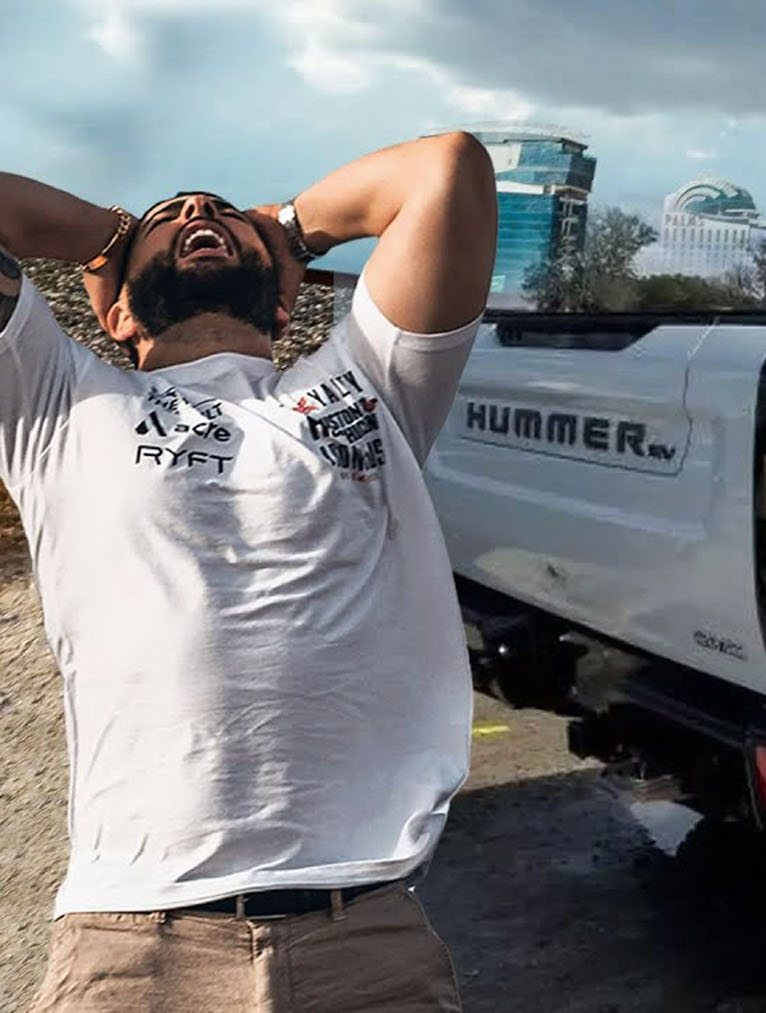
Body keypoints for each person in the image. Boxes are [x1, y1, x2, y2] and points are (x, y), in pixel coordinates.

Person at [0, 130, 498, 1011]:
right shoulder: (55, 397)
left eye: (222, 212)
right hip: (133, 942)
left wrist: (290, 228)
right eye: (171, 216)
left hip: (364, 938)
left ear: (285, 300)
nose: (199, 209)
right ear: (116, 314)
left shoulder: (365, 384)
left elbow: (447, 168)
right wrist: (103, 236)